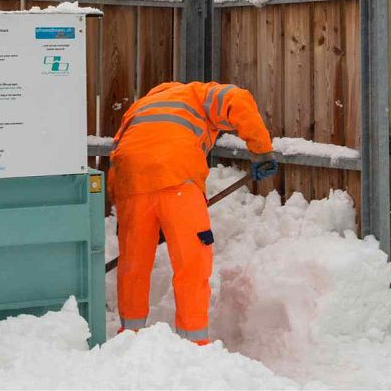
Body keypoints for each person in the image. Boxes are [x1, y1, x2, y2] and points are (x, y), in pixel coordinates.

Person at [108, 81, 278, 345]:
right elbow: (238, 99)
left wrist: (126, 206)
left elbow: (117, 154)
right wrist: (262, 151)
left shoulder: (139, 108)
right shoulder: (197, 94)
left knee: (133, 266)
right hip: (178, 182)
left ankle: (130, 337)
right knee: (191, 264)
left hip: (131, 186)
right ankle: (194, 342)